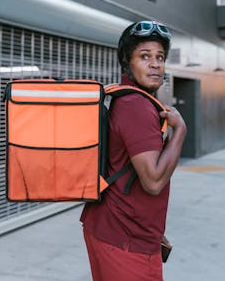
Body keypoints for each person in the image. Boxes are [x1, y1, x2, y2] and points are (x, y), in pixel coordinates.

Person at [80, 21, 187, 281]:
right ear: (127, 63)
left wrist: (152, 228)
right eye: (144, 56)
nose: (155, 64)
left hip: (110, 227)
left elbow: (120, 165)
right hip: (126, 240)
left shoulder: (123, 98)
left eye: (160, 57)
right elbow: (152, 181)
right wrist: (181, 130)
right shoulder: (136, 106)